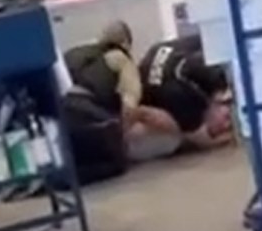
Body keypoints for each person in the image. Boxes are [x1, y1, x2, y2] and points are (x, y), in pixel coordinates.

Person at [61, 23, 182, 165]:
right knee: (168, 139)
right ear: (125, 43)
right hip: (85, 111)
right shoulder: (122, 60)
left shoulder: (74, 52)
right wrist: (121, 135)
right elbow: (129, 107)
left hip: (56, 110)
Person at [137, 34, 237, 154]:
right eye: (227, 118)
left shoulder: (195, 45)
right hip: (143, 95)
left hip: (154, 61)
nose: (227, 125)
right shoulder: (185, 104)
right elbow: (205, 141)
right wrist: (233, 136)